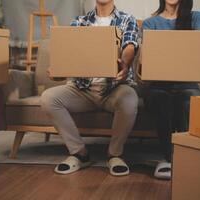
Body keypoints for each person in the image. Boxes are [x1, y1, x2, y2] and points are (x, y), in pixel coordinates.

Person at [41, 0, 139, 177]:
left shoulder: (127, 19)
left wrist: (125, 65)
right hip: (82, 90)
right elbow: (67, 55)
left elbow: (130, 46)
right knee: (49, 98)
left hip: (113, 89)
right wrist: (58, 70)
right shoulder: (78, 22)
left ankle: (114, 155)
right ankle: (79, 153)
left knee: (130, 99)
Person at [140, 0, 200, 180]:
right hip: (158, 86)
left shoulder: (196, 18)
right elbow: (143, 62)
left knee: (189, 101)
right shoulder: (151, 23)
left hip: (187, 85)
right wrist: (142, 66)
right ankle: (169, 158)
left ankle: (183, 157)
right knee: (163, 101)